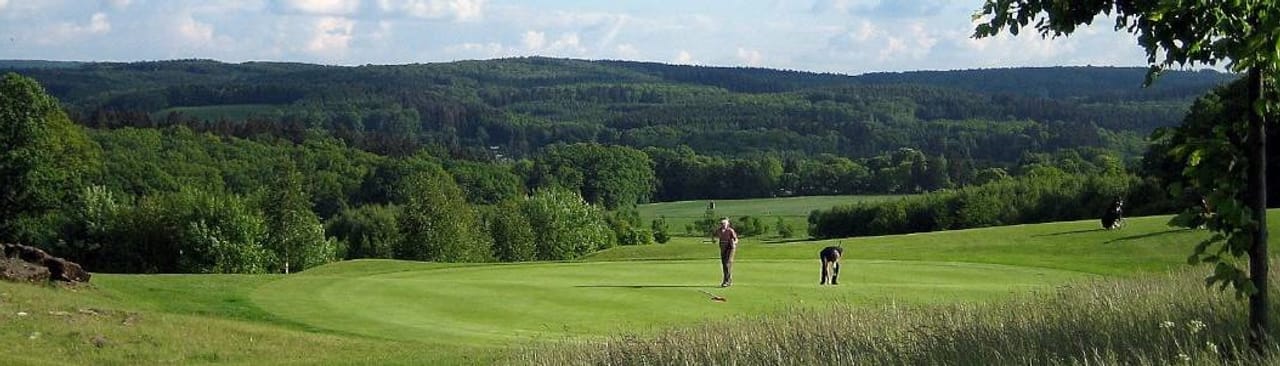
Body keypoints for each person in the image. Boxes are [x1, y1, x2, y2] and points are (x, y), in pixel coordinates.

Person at [713, 218, 739, 287]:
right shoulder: (719, 231)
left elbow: (736, 239)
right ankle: (728, 280)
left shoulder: (730, 230)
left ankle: (726, 281)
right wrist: (714, 240)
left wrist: (734, 243)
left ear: (728, 224)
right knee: (724, 264)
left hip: (730, 248)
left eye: (724, 223)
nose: (723, 225)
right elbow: (714, 237)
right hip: (722, 248)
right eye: (721, 224)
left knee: (727, 263)